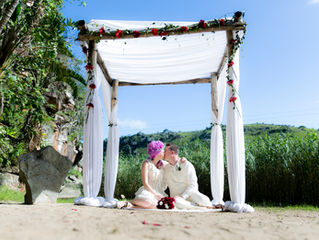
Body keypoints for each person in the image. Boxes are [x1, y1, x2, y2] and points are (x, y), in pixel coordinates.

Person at [117, 140, 167, 209]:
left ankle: (131, 206)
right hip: (148, 190)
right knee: (147, 201)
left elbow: (175, 163)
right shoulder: (146, 163)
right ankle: (129, 201)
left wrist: (183, 159)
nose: (164, 152)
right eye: (163, 150)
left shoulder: (163, 164)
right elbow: (145, 183)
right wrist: (155, 195)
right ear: (157, 152)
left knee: (157, 206)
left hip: (160, 191)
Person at [163, 143, 212, 209]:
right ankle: (200, 208)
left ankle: (197, 205)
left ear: (172, 152)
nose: (164, 152)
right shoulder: (165, 168)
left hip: (190, 195)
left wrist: (183, 196)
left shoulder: (186, 165)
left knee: (205, 200)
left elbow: (193, 185)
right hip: (176, 198)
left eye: (165, 151)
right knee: (177, 201)